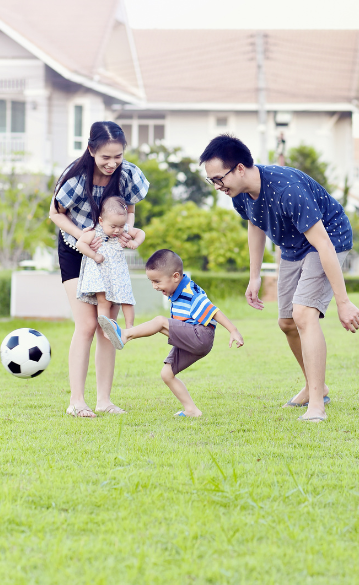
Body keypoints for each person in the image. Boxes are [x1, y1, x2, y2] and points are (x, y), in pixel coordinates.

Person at [199, 134, 359, 422]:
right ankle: (318, 387)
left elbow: (323, 244)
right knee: (286, 322)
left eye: (218, 179)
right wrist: (254, 277)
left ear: (239, 168)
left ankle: (316, 405)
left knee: (303, 314)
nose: (217, 186)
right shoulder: (239, 195)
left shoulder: (287, 189)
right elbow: (255, 226)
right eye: (211, 181)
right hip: (292, 246)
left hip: (328, 239)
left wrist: (344, 302)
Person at [49, 121, 149, 418]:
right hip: (75, 249)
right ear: (91, 149)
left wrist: (127, 230)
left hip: (109, 252)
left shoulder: (128, 174)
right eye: (105, 156)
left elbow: (129, 208)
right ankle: (76, 401)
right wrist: (83, 236)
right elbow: (55, 214)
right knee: (87, 324)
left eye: (117, 156)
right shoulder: (75, 177)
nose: (112, 163)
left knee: (107, 326)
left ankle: (104, 400)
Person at [98, 249, 244, 418]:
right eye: (151, 282)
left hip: (200, 335)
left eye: (157, 281)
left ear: (175, 276)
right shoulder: (176, 290)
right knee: (166, 374)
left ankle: (125, 335)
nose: (154, 286)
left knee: (160, 321)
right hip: (191, 339)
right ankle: (191, 410)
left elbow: (213, 311)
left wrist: (233, 330)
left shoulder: (191, 291)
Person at [74, 195, 146, 330]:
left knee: (127, 299)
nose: (117, 230)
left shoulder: (123, 230)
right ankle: (108, 329)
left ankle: (130, 327)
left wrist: (135, 242)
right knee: (104, 302)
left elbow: (141, 233)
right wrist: (94, 255)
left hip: (119, 273)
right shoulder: (95, 232)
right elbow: (80, 244)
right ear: (101, 221)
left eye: (121, 225)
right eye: (113, 226)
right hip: (100, 274)